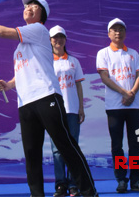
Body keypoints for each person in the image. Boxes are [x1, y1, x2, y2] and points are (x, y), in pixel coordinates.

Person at [0, 0, 97, 197]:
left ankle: (88, 191)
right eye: (26, 6)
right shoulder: (21, 46)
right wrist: (9, 84)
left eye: (33, 6)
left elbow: (2, 32)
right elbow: (23, 72)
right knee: (31, 152)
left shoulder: (38, 29)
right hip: (26, 102)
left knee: (65, 144)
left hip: (46, 96)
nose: (28, 8)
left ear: (42, 13)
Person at [96, 19, 139, 194]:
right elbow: (105, 77)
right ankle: (121, 179)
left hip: (135, 106)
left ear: (125, 33)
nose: (118, 32)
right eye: (114, 30)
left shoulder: (133, 54)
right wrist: (123, 93)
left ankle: (136, 180)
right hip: (115, 106)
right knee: (117, 145)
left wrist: (131, 93)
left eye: (121, 29)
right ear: (109, 34)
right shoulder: (103, 53)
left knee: (135, 144)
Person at [49, 25, 86, 197]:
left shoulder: (73, 61)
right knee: (57, 150)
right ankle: (60, 185)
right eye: (55, 37)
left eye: (61, 37)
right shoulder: (46, 61)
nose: (58, 40)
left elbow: (78, 85)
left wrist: (81, 107)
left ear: (65, 39)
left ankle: (73, 184)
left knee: (73, 147)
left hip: (71, 109)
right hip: (54, 110)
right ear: (50, 41)